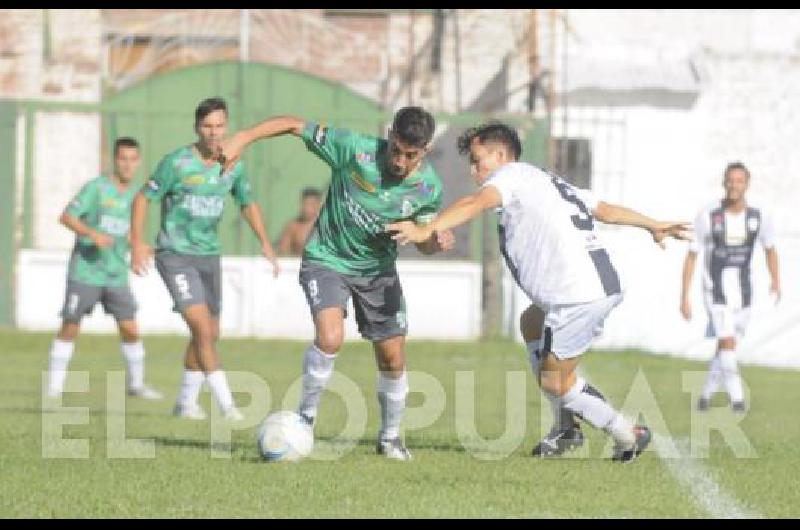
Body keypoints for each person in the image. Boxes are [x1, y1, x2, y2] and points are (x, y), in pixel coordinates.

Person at [388, 122, 690, 463]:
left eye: (478, 160)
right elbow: (604, 209)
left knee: (555, 383)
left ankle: (627, 432)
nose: (474, 170)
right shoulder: (544, 179)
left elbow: (475, 203)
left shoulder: (510, 176)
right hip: (584, 288)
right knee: (531, 322)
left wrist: (426, 228)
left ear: (501, 155)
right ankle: (565, 427)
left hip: (578, 295)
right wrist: (653, 224)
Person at [217, 106, 454, 459]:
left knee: (392, 358)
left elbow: (424, 240)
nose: (400, 161)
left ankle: (389, 438)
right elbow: (294, 123)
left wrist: (434, 240)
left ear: (425, 151)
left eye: (411, 155)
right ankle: (304, 419)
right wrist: (243, 138)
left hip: (377, 272)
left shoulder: (427, 188)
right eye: (396, 150)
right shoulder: (354, 149)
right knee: (330, 337)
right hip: (327, 258)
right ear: (390, 135)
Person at [130, 97, 280, 421]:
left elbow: (247, 202)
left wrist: (266, 242)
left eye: (219, 126)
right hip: (175, 255)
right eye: (207, 126)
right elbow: (144, 197)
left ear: (226, 126)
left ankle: (185, 403)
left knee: (210, 334)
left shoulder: (233, 164)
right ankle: (228, 407)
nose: (214, 133)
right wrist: (137, 243)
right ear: (197, 128)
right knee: (200, 327)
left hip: (209, 256)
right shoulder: (177, 163)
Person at [46, 137, 162, 401]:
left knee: (130, 328)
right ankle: (54, 387)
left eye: (133, 159)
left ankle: (137, 385)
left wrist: (141, 248)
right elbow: (66, 217)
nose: (127, 164)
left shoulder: (138, 196)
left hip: (116, 274)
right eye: (123, 158)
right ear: (114, 160)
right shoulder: (96, 188)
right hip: (85, 271)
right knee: (70, 326)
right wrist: (92, 234)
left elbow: (134, 235)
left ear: (139, 161)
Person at [680, 162, 780, 412]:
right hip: (715, 290)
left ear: (747, 184)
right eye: (730, 180)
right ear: (724, 182)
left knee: (728, 345)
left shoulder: (759, 217)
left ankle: (705, 396)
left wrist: (776, 280)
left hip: (743, 292)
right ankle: (738, 399)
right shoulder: (708, 215)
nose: (734, 185)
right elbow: (692, 255)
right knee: (726, 342)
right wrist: (685, 296)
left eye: (739, 181)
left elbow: (770, 249)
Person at [277, 187, 323, 256]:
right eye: (305, 204)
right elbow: (282, 251)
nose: (308, 208)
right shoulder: (293, 227)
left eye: (311, 204)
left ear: (318, 205)